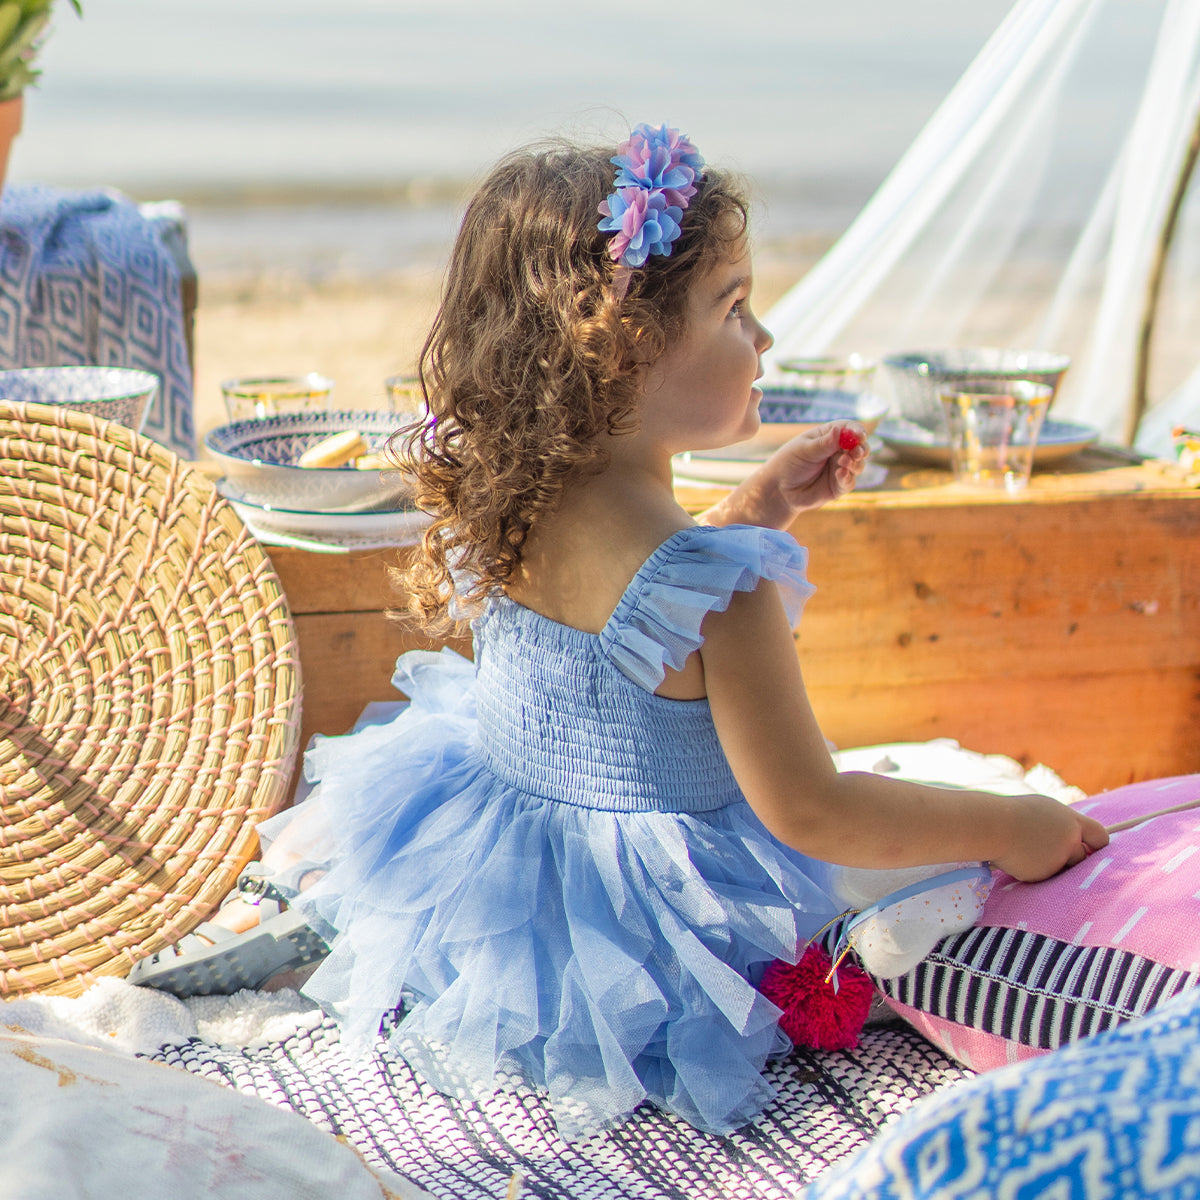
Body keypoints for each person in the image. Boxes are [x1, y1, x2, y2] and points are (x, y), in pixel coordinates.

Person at [131, 123, 1108, 1140]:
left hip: (496, 894)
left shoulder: (520, 494)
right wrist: (1013, 825)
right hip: (641, 941)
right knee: (927, 884)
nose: (766, 337)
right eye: (734, 307)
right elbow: (814, 811)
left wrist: (760, 505)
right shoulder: (725, 588)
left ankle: (299, 928)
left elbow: (637, 614)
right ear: (628, 346)